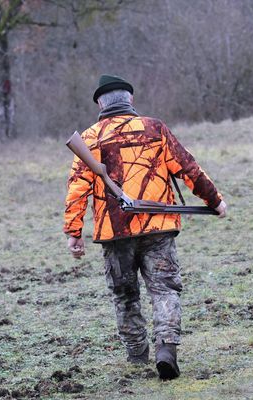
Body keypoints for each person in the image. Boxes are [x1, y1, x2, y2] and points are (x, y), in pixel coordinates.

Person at [63, 74, 227, 380]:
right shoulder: (155, 128)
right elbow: (188, 168)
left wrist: (74, 232)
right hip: (158, 230)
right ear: (130, 100)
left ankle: (137, 356)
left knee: (125, 296)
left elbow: (76, 189)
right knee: (164, 290)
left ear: (100, 103)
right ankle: (166, 349)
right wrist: (214, 200)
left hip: (115, 233)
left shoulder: (89, 138)